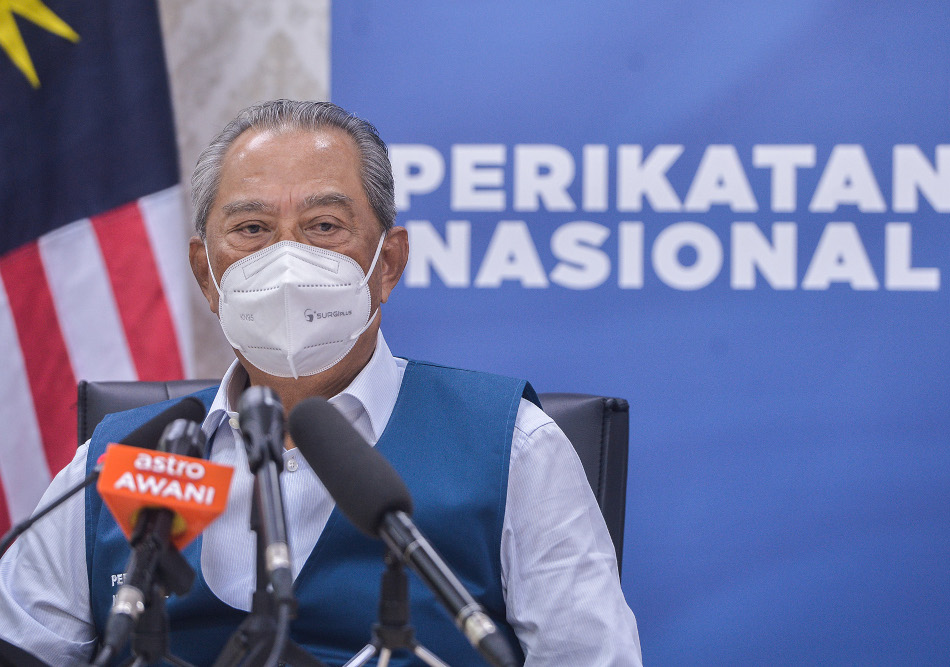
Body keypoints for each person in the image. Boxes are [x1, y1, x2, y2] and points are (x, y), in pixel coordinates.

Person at [0, 100, 642, 666]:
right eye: (252, 229)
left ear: (388, 263)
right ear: (206, 272)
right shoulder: (114, 463)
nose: (286, 259)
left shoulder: (514, 448)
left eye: (324, 227)